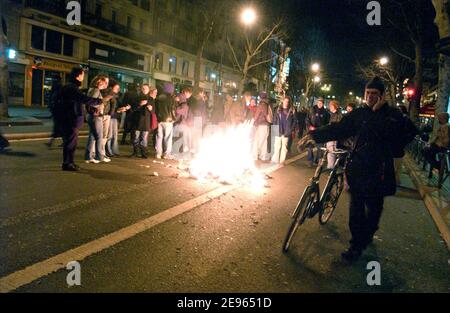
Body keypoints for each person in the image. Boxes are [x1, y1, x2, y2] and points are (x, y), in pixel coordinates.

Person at [298, 77, 417, 262]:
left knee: (374, 209)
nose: (370, 97)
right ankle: (355, 246)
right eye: (368, 93)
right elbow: (339, 128)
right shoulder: (359, 113)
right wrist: (314, 135)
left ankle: (368, 234)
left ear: (382, 96)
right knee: (356, 210)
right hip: (358, 168)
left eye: (374, 94)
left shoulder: (392, 114)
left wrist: (380, 114)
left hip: (379, 171)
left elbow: (408, 133)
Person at [58, 67, 102, 171]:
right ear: (78, 76)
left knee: (69, 142)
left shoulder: (70, 86)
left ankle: (69, 162)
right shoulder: (72, 87)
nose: (83, 76)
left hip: (68, 118)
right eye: (82, 74)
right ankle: (68, 164)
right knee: (70, 143)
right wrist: (98, 101)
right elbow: (83, 99)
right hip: (71, 118)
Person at [84, 75, 111, 164]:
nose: (106, 84)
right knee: (99, 137)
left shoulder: (92, 89)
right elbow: (91, 103)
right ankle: (99, 157)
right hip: (95, 116)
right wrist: (101, 102)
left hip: (91, 116)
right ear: (100, 82)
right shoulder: (95, 90)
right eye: (105, 82)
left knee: (92, 136)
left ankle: (88, 156)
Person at [130, 84, 156, 159]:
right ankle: (135, 152)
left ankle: (143, 153)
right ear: (141, 89)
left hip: (146, 121)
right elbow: (133, 109)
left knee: (144, 138)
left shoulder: (151, 99)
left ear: (148, 90)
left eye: (146, 89)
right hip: (137, 120)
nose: (144, 90)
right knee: (136, 137)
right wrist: (140, 104)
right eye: (143, 88)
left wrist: (151, 109)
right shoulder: (137, 98)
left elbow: (154, 111)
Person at [305, 98, 330, 167]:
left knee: (320, 148)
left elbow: (327, 123)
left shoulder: (326, 112)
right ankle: (310, 161)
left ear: (323, 104)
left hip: (320, 133)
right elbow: (307, 119)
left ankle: (318, 160)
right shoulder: (311, 110)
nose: (320, 104)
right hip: (311, 132)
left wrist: (322, 129)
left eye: (321, 103)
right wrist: (309, 126)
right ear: (317, 103)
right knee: (310, 147)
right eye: (318, 103)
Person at [271, 97, 296, 164]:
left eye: (287, 101)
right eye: (285, 101)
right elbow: (274, 120)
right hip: (278, 130)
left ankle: (282, 161)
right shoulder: (278, 109)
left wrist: (291, 129)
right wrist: (274, 129)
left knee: (284, 148)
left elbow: (294, 121)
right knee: (276, 146)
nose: (286, 103)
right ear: (282, 101)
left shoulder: (292, 110)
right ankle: (274, 160)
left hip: (287, 131)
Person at [155, 83, 176, 159]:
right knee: (168, 137)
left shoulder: (159, 97)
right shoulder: (171, 98)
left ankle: (158, 153)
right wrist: (174, 118)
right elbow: (172, 109)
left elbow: (156, 109)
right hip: (168, 120)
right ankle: (166, 154)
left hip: (160, 120)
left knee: (159, 137)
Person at [105, 82, 125, 158]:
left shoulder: (117, 96)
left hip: (115, 117)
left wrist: (123, 108)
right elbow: (109, 107)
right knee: (109, 135)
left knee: (115, 135)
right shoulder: (110, 95)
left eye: (118, 88)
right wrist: (117, 110)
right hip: (110, 116)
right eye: (116, 88)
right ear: (111, 88)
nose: (118, 89)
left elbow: (118, 105)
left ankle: (114, 150)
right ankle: (108, 151)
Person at [252, 93, 271, 161]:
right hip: (266, 125)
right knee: (264, 141)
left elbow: (256, 116)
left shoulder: (261, 105)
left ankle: (255, 156)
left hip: (261, 125)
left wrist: (252, 122)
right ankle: (263, 156)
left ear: (260, 98)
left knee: (258, 141)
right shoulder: (267, 105)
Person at [46, 75, 63, 148]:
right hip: (57, 109)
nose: (53, 80)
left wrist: (51, 105)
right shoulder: (58, 86)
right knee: (59, 127)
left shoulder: (57, 87)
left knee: (58, 127)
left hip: (57, 110)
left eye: (54, 79)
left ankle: (51, 142)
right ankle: (51, 142)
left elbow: (54, 97)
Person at [175, 87, 193, 153]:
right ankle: (180, 150)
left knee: (180, 136)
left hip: (180, 121)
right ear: (186, 92)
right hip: (181, 121)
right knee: (181, 136)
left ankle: (180, 149)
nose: (189, 96)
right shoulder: (183, 100)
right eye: (189, 94)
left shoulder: (179, 98)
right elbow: (180, 111)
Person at [326, 100, 343, 169]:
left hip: (333, 137)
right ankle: (332, 167)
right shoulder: (334, 114)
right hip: (332, 136)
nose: (329, 107)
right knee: (331, 152)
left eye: (330, 105)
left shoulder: (337, 115)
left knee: (332, 152)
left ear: (334, 106)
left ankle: (332, 168)